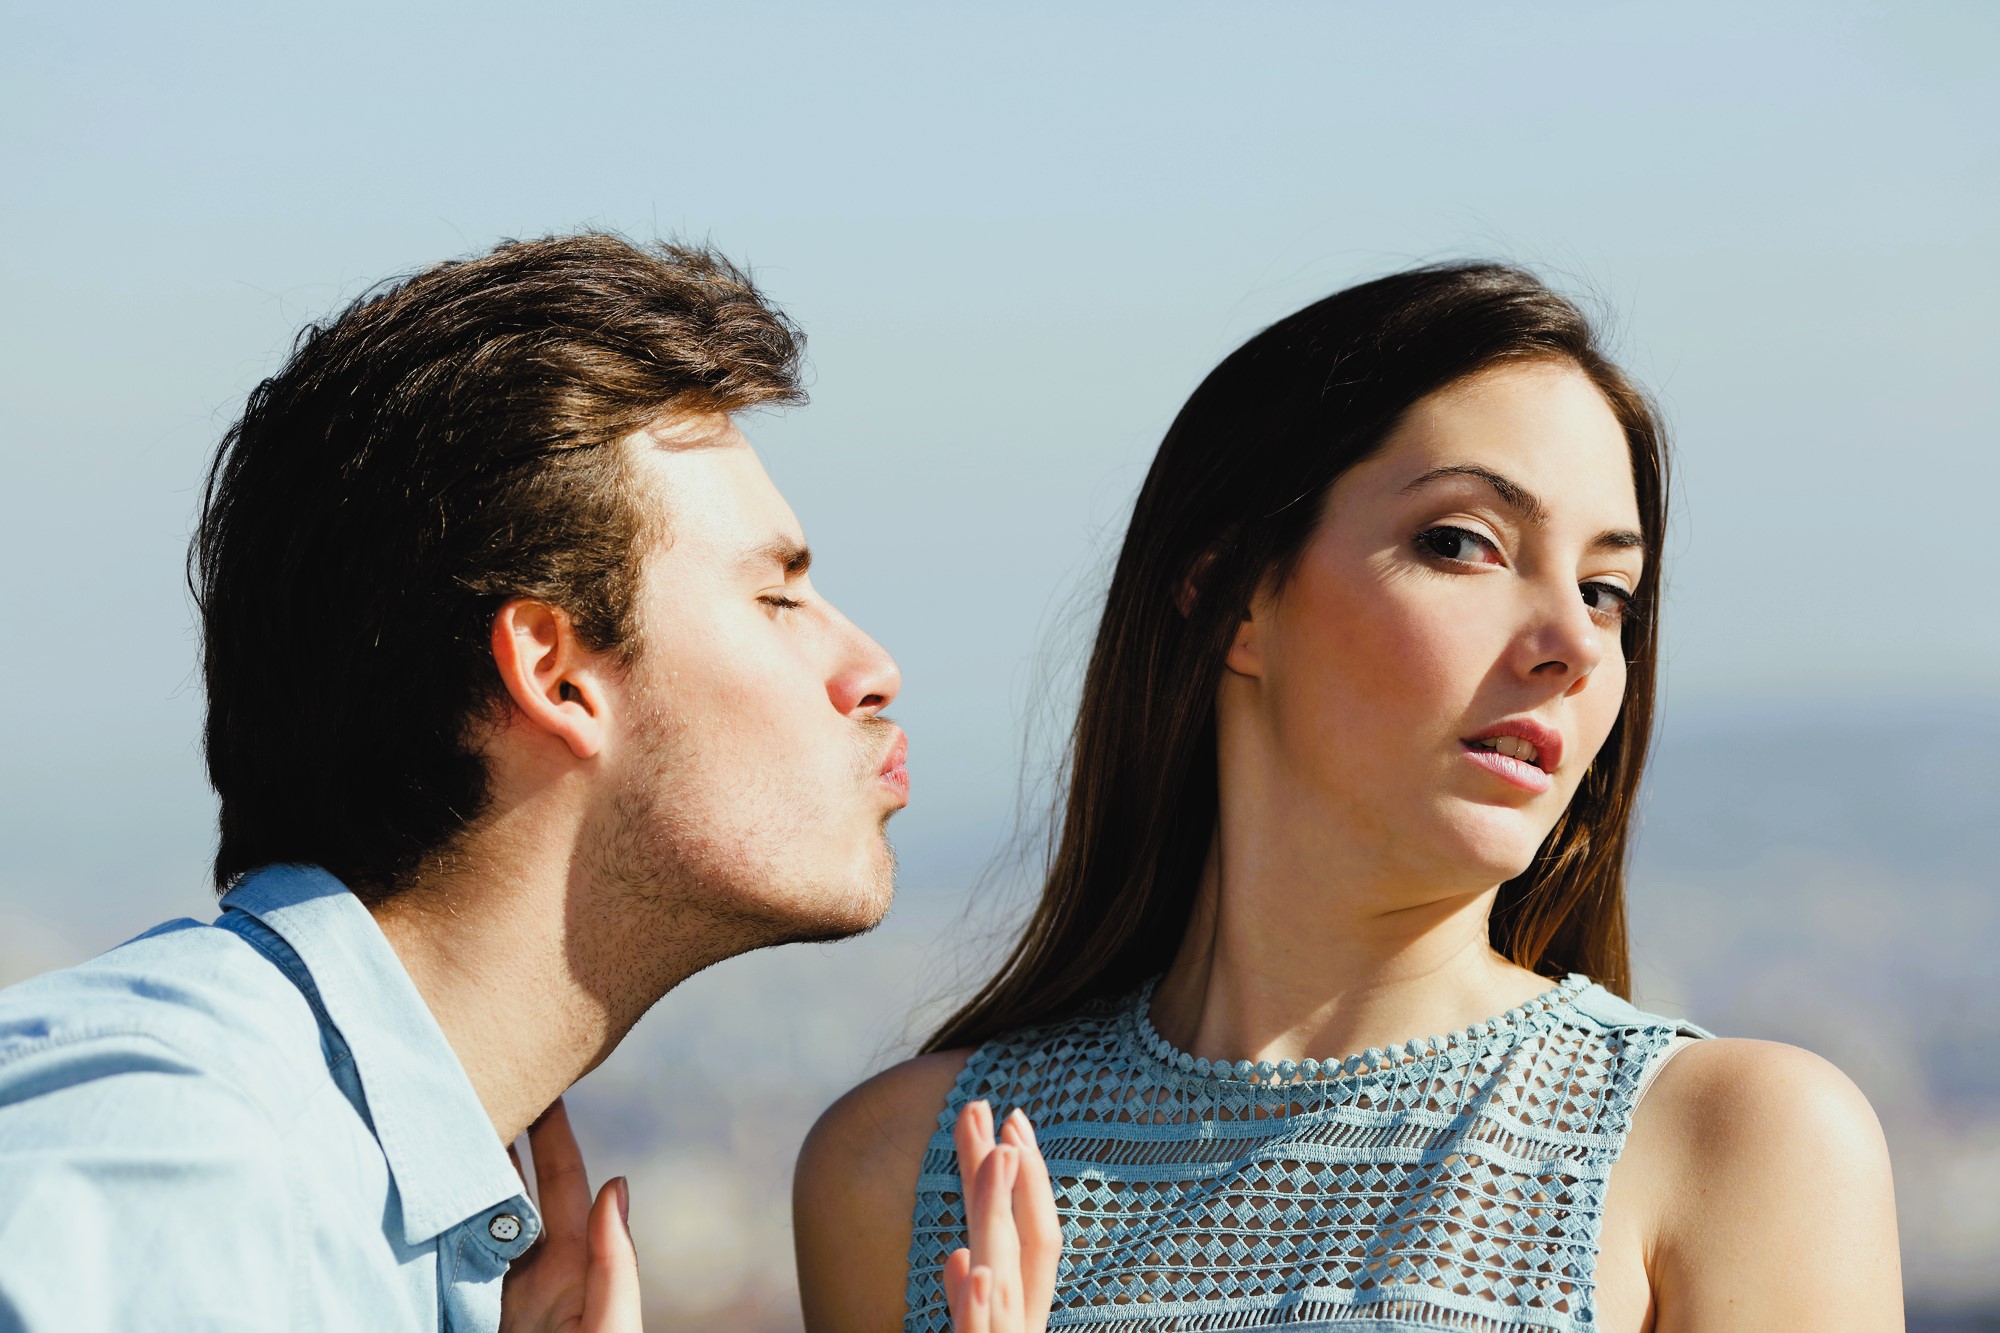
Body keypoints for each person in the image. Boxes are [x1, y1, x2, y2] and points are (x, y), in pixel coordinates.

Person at [796, 263, 1904, 1332]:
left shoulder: (1734, 1145)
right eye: (1461, 543)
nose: (1572, 641)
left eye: (1607, 591)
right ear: (1230, 596)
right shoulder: (901, 1170)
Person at [0, 232, 1040, 1333]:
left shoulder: (345, 1199)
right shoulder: (179, 1171)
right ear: (557, 671)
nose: (870, 668)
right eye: (776, 599)